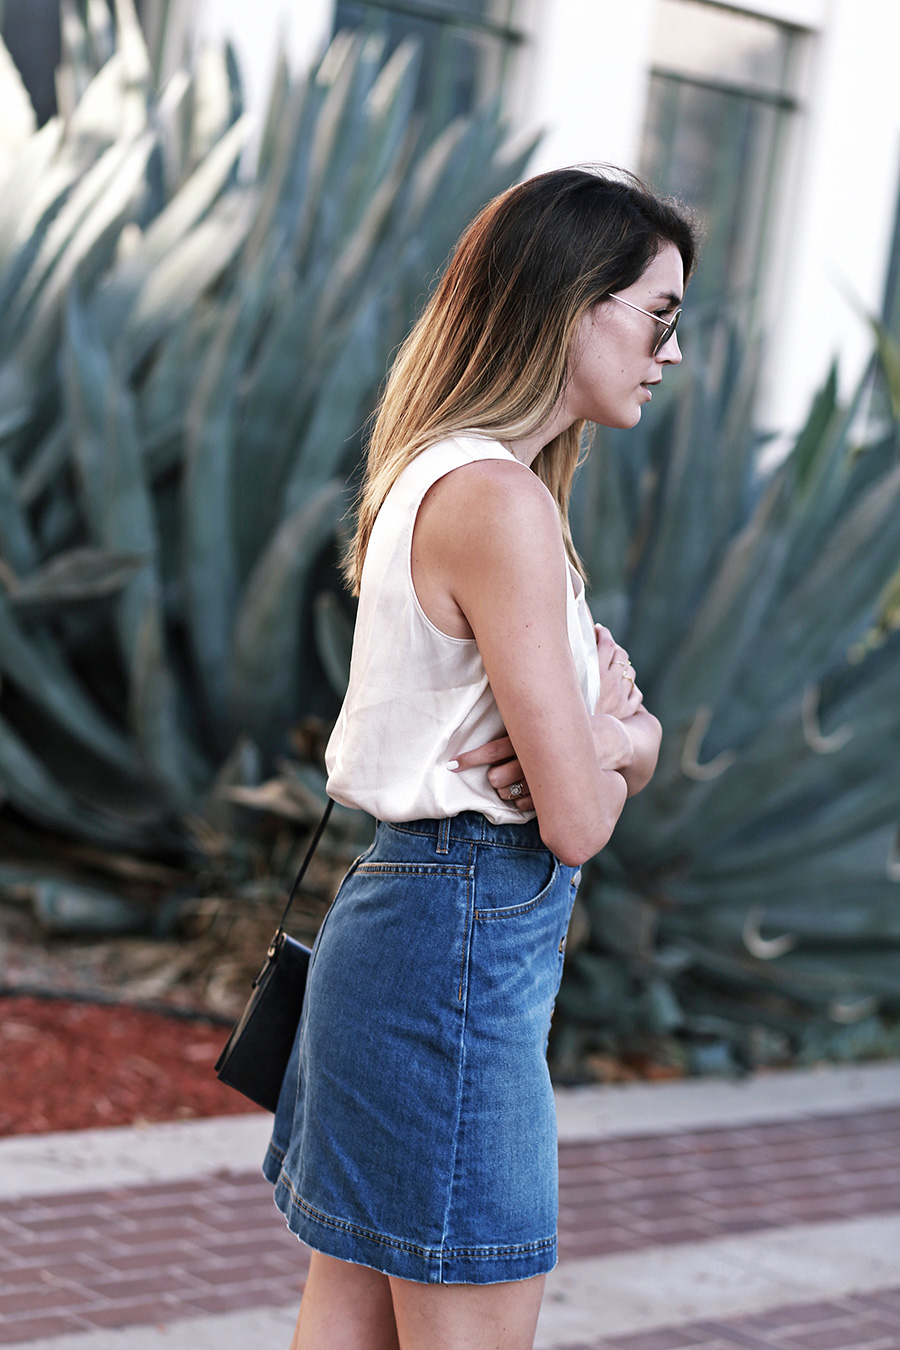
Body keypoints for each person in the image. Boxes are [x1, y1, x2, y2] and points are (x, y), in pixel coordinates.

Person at [263, 166, 698, 1350]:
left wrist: (621, 739)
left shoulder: (448, 474)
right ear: (572, 304)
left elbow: (594, 762)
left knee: (350, 1325)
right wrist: (621, 738)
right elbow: (578, 819)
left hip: (414, 932)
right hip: (456, 946)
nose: (670, 352)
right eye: (657, 316)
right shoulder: (497, 499)